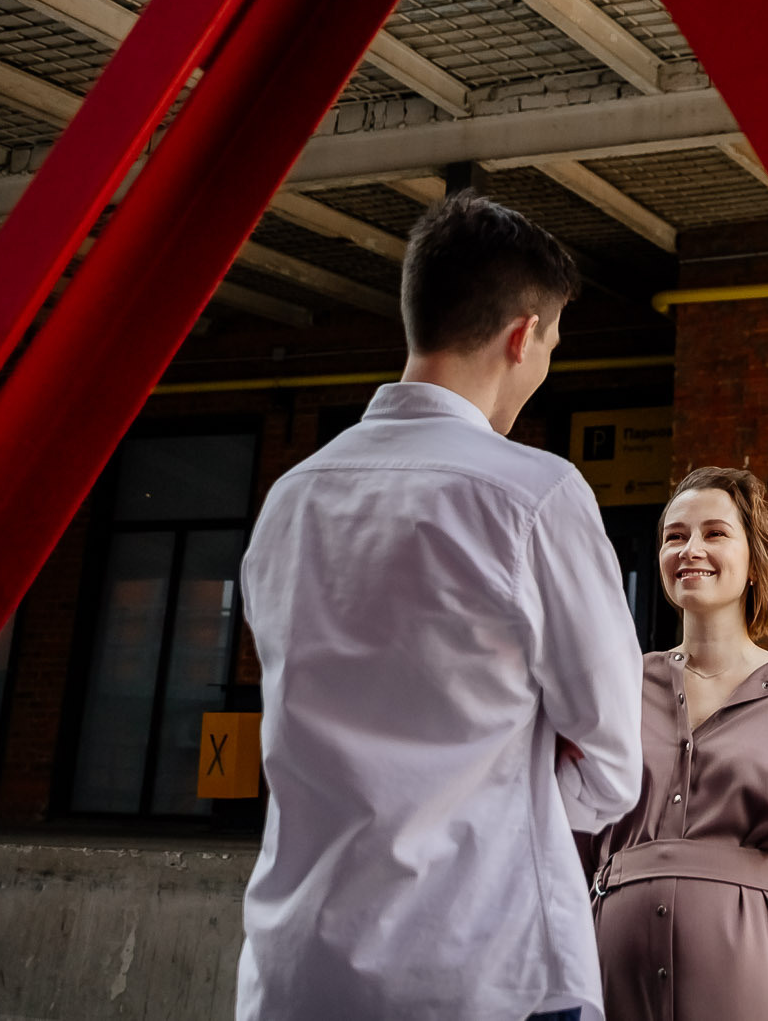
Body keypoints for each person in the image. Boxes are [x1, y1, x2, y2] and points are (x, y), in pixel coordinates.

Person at [236, 191, 645, 1021]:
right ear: (523, 335)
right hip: (483, 968)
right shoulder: (533, 495)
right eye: (551, 345)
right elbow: (610, 762)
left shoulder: (290, 497)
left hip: (294, 971)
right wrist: (499, 785)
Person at [585, 467, 768, 1021]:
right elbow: (569, 857)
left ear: (754, 560)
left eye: (715, 533)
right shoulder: (613, 686)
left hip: (756, 990)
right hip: (611, 991)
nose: (691, 549)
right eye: (675, 536)